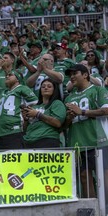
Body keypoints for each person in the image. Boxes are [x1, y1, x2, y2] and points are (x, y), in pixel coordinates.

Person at [64, 64, 108, 198]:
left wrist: (82, 112)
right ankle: (93, 210)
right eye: (70, 74)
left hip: (99, 140)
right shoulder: (68, 98)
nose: (71, 77)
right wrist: (70, 117)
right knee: (84, 178)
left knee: (104, 177)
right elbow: (65, 125)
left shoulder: (98, 90)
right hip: (78, 143)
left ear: (85, 75)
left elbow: (106, 110)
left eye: (74, 73)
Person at [0, 71, 38, 150]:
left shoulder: (22, 88)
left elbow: (34, 101)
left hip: (14, 131)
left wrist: (24, 108)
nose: (7, 76)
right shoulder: (2, 91)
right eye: (6, 75)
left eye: (10, 75)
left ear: (18, 79)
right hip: (0, 132)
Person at [22, 78, 66, 148]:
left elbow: (57, 123)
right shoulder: (34, 106)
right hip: (29, 141)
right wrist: (26, 119)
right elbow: (25, 129)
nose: (46, 88)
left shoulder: (57, 103)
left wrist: (37, 114)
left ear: (54, 90)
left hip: (47, 139)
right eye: (43, 86)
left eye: (49, 86)